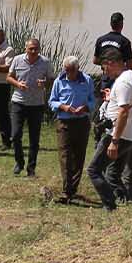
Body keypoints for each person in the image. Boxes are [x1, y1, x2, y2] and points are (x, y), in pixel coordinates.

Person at [88, 46, 132, 210]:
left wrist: (114, 141)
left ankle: (110, 206)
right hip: (131, 135)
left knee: (94, 170)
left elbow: (123, 112)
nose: (104, 71)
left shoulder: (123, 82)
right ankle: (126, 203)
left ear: (111, 63)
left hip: (119, 135)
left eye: (104, 67)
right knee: (113, 175)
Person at [49, 55, 97, 203]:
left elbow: (93, 100)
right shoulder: (59, 81)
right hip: (64, 122)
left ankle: (72, 190)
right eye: (66, 70)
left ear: (77, 69)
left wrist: (86, 107)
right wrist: (63, 107)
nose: (69, 73)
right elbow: (52, 101)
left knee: (79, 156)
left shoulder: (87, 80)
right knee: (65, 156)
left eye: (71, 71)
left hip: (81, 122)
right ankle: (66, 189)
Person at [6, 37, 54, 177]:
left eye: (36, 48)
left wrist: (44, 83)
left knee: (34, 138)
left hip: (36, 104)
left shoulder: (45, 62)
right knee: (15, 135)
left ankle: (31, 168)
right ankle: (19, 162)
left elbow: (51, 79)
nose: (33, 51)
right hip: (18, 102)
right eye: (31, 48)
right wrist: (17, 84)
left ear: (39, 49)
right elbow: (9, 77)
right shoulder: (17, 60)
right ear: (26, 49)